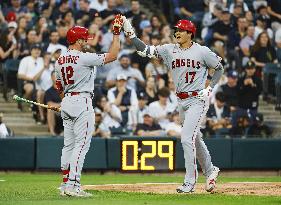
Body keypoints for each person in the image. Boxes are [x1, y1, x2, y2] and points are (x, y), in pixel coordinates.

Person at [122, 17, 224, 193]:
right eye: (176, 29)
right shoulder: (169, 49)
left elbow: (219, 68)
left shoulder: (202, 51)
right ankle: (210, 170)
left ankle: (190, 182)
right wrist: (131, 34)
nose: (177, 32)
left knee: (186, 138)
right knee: (195, 138)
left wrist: (210, 88)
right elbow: (144, 50)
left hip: (197, 99)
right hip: (181, 100)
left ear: (190, 34)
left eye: (181, 30)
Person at [55, 15, 123, 197]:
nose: (86, 41)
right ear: (77, 40)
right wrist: (116, 34)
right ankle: (73, 185)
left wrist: (66, 101)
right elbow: (114, 55)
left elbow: (58, 86)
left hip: (67, 100)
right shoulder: (84, 58)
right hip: (82, 101)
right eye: (84, 39)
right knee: (81, 145)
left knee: (68, 145)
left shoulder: (59, 60)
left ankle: (64, 184)